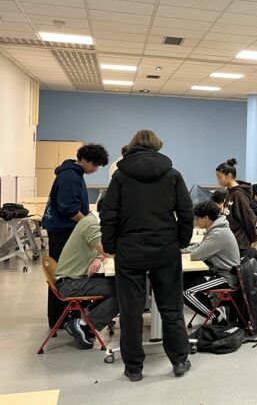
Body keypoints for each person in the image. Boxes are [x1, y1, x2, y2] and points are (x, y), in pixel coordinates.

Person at [101, 130, 194, 382]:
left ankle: (134, 368)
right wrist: (181, 241)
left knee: (130, 311)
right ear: (157, 147)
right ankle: (179, 360)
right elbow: (186, 212)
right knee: (171, 308)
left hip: (130, 251)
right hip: (165, 249)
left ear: (132, 146)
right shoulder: (172, 175)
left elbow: (109, 213)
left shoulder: (120, 176)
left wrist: (110, 245)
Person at [42, 143, 109, 328]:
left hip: (63, 228)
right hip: (62, 230)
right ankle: (59, 319)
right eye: (95, 165)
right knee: (64, 275)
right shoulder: (69, 176)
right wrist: (87, 224)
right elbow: (69, 209)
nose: (95, 169)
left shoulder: (74, 173)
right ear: (85, 159)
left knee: (69, 272)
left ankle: (70, 316)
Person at [55, 197, 118, 350]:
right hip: (71, 284)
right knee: (126, 291)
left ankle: (84, 320)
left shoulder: (91, 221)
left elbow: (104, 250)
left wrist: (99, 257)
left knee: (122, 287)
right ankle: (84, 323)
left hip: (74, 279)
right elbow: (109, 250)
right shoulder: (92, 225)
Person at [183, 201, 240, 324]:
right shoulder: (215, 228)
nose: (195, 221)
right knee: (182, 281)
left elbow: (196, 255)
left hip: (226, 277)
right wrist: (183, 250)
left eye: (197, 218)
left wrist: (186, 253)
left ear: (206, 218)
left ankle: (218, 316)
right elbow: (200, 246)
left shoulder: (218, 233)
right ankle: (216, 308)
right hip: (217, 272)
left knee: (187, 292)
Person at [215, 158, 257, 255]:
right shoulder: (230, 191)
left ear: (229, 176)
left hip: (239, 242)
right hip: (231, 239)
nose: (218, 181)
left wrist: (253, 238)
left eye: (220, 177)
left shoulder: (238, 194)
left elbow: (248, 217)